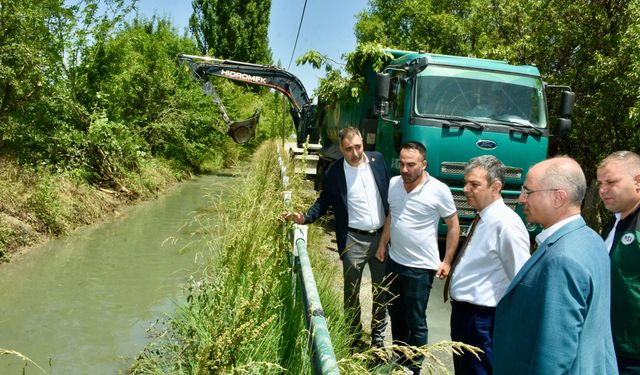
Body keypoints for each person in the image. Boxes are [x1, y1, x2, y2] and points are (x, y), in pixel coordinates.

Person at [492, 156, 617, 374]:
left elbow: (554, 354)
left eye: (528, 191)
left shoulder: (562, 259)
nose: (522, 199)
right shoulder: (591, 239)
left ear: (559, 198)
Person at [283, 127, 390, 349]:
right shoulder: (334, 172)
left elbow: (391, 192)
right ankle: (353, 337)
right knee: (351, 292)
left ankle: (378, 338)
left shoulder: (377, 160)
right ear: (341, 149)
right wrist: (304, 218)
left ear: (363, 143)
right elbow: (324, 201)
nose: (355, 152)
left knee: (381, 291)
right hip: (353, 241)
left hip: (381, 238)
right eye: (349, 149)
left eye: (358, 146)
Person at [375, 141, 460, 374]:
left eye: (410, 164)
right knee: (396, 315)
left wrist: (447, 261)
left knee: (416, 321)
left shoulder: (439, 190)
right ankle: (400, 361)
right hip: (394, 262)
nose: (404, 169)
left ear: (424, 164)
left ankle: (414, 368)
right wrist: (383, 244)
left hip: (420, 268)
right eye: (401, 163)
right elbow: (393, 216)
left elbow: (453, 226)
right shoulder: (394, 184)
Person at [445, 155, 530, 375]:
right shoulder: (483, 217)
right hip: (466, 317)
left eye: (474, 184)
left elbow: (521, 279)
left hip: (481, 321)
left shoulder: (506, 224)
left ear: (496, 187)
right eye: (465, 183)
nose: (466, 189)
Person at [597, 151, 640, 375]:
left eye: (611, 182)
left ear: (638, 182)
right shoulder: (613, 223)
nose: (603, 190)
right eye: (600, 183)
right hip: (609, 347)